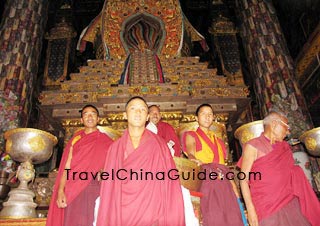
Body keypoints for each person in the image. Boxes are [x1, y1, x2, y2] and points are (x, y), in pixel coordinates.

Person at [96, 96, 185, 226]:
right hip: (122, 211)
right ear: (125, 115)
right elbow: (109, 187)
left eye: (142, 109)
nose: (138, 112)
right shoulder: (115, 148)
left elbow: (170, 182)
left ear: (147, 116)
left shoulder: (159, 145)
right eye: (133, 109)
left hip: (153, 211)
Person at [238, 111, 320, 226]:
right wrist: (250, 209)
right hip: (266, 207)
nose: (287, 132)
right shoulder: (253, 145)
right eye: (286, 127)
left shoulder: (284, 147)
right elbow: (243, 179)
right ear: (275, 124)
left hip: (291, 203)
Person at [46, 104, 113, 226]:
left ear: (98, 119)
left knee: (92, 220)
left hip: (94, 187)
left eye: (93, 113)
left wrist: (104, 170)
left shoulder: (107, 141)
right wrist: (61, 190)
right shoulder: (75, 140)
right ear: (81, 120)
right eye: (86, 114)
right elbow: (67, 166)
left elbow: (113, 163)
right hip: (73, 188)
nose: (90, 116)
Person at [183, 103, 246, 226]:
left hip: (224, 182)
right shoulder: (191, 135)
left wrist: (234, 187)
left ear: (213, 118)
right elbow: (190, 152)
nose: (207, 117)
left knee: (232, 215)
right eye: (203, 114)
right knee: (213, 215)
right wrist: (192, 158)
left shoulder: (219, 141)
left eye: (210, 114)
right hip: (206, 179)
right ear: (196, 118)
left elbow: (224, 166)